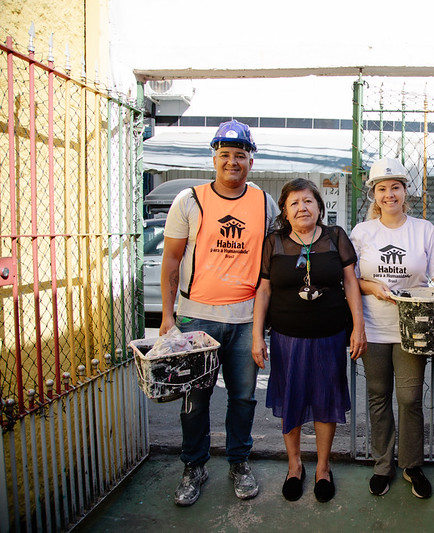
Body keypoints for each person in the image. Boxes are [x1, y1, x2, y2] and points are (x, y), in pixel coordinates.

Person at [160, 119, 278, 506]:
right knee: (195, 397)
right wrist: (167, 316)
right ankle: (193, 466)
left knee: (243, 398)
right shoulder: (190, 200)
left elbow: (275, 258)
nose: (232, 162)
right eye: (225, 155)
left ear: (250, 161)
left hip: (246, 320)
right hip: (197, 319)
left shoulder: (263, 202)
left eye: (240, 155)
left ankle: (239, 463)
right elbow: (172, 260)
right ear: (214, 158)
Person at [350, 158, 434, 499]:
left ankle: (412, 465)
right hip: (373, 327)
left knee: (410, 397)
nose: (389, 194)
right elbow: (352, 279)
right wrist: (372, 287)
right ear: (374, 193)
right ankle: (382, 465)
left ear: (406, 191)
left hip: (413, 329)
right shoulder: (362, 232)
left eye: (395, 188)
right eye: (382, 189)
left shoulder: (423, 230)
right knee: (377, 395)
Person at [251, 178, 366, 503]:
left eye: (308, 201)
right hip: (287, 340)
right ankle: (294, 465)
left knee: (325, 400)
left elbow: (351, 282)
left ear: (319, 206)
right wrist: (257, 335)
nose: (302, 208)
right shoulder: (273, 242)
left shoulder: (336, 237)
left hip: (330, 338)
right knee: (292, 398)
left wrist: (359, 327)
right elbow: (264, 290)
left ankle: (323, 469)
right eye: (294, 203)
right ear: (285, 211)